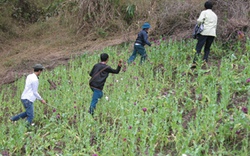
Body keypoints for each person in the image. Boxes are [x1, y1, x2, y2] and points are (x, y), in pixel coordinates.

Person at [192, 1, 217, 66]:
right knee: (207, 48)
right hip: (212, 33)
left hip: (204, 32)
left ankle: (195, 62)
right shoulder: (215, 15)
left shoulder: (204, 12)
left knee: (198, 47)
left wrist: (199, 25)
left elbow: (199, 20)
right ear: (212, 7)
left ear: (205, 7)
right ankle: (205, 61)